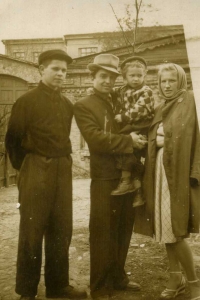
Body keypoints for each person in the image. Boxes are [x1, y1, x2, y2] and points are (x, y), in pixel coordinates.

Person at [5, 49, 87, 300]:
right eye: (55, 69)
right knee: (32, 229)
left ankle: (57, 286)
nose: (61, 74)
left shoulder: (66, 103)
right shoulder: (26, 101)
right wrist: (29, 168)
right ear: (42, 70)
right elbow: (12, 141)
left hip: (62, 170)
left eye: (64, 70)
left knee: (61, 228)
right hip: (35, 168)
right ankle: (27, 291)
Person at [74, 53, 147, 300]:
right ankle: (99, 286)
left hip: (127, 176)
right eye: (102, 76)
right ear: (93, 77)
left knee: (123, 228)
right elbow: (95, 138)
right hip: (105, 177)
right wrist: (129, 140)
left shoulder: (119, 98)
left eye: (111, 77)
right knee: (103, 231)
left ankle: (118, 277)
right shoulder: (84, 105)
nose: (107, 81)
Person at [134, 63, 200, 300]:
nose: (167, 85)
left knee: (176, 229)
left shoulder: (192, 102)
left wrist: (196, 173)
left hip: (180, 174)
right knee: (164, 228)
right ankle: (175, 277)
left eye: (172, 80)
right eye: (163, 81)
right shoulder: (160, 107)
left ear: (181, 81)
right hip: (159, 171)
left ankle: (193, 282)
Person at [111, 56, 155, 208]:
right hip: (131, 126)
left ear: (144, 75)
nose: (136, 79)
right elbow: (111, 92)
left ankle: (126, 181)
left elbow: (142, 109)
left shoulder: (146, 91)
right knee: (130, 155)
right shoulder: (122, 90)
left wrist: (123, 116)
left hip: (141, 124)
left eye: (139, 75)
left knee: (127, 149)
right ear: (125, 77)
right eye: (132, 76)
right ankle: (137, 192)